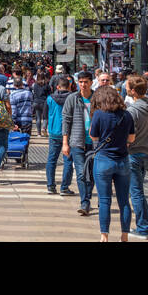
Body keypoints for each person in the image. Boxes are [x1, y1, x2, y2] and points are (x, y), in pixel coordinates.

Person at [89, 85, 135, 242]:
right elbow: (132, 138)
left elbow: (93, 137)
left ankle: (104, 236)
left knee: (104, 200)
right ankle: (124, 235)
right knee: (124, 201)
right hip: (122, 160)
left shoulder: (98, 115)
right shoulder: (127, 115)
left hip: (103, 160)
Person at [124, 74, 148, 240]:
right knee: (139, 190)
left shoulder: (132, 111)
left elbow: (128, 134)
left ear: (133, 91)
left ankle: (143, 228)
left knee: (136, 192)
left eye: (127, 88)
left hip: (134, 153)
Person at [62, 71, 95, 215]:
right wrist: (65, 142)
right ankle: (85, 202)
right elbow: (66, 120)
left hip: (94, 143)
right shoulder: (72, 98)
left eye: (86, 82)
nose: (83, 85)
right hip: (77, 141)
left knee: (92, 174)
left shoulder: (97, 98)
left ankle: (86, 199)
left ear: (91, 82)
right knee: (81, 173)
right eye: (80, 82)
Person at [45, 75, 73, 196]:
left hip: (54, 131)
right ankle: (64, 187)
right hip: (68, 133)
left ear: (57, 87)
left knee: (52, 159)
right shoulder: (72, 98)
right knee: (67, 160)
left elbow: (45, 114)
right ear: (69, 86)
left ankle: (51, 186)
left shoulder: (50, 98)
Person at [31, 72, 50, 136]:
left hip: (36, 102)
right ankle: (44, 128)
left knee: (38, 118)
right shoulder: (46, 85)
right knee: (45, 117)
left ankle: (38, 133)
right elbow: (49, 94)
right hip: (44, 102)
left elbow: (33, 93)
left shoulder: (35, 85)